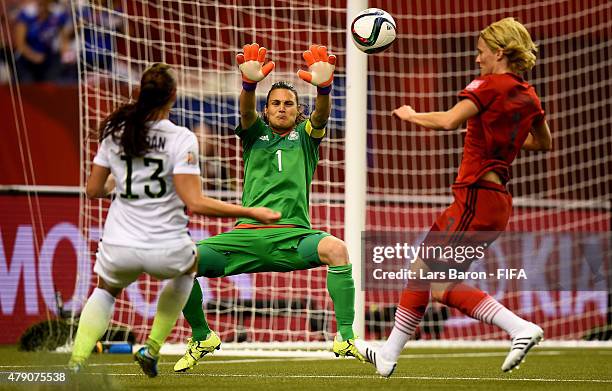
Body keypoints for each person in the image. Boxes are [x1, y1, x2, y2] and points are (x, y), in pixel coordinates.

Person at [356, 17, 552, 377]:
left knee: (437, 282)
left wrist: (412, 114)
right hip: (492, 201)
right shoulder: (528, 93)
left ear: (500, 52)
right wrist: (497, 136)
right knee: (422, 273)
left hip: (475, 197)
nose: (478, 60)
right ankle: (387, 354)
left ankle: (518, 327)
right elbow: (542, 142)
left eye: (481, 53)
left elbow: (447, 121)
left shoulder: (489, 84)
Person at [68, 62, 280, 377]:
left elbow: (94, 190)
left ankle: (74, 364)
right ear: (173, 97)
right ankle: (152, 347)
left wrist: (116, 181)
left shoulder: (116, 131)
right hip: (164, 245)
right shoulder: (180, 138)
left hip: (118, 243)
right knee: (188, 269)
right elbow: (194, 202)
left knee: (106, 290)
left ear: (141, 94)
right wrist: (250, 211)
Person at [173, 43, 365, 373]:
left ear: (296, 110)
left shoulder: (306, 137)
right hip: (246, 237)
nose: (281, 108)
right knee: (181, 261)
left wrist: (324, 89)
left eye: (288, 104)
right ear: (266, 109)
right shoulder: (254, 133)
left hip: (293, 235)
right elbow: (246, 112)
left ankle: (346, 336)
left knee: (337, 249)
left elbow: (320, 115)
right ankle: (202, 336)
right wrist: (248, 86)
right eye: (274, 103)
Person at [13, 0, 74, 82]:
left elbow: (64, 40)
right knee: (27, 85)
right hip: (26, 59)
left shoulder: (58, 13)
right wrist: (34, 56)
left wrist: (66, 53)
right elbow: (19, 43)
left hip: (47, 58)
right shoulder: (26, 14)